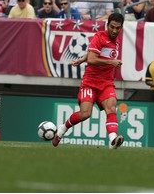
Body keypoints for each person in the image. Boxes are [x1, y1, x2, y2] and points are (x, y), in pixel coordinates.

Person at [52, 13, 125, 150]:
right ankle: (62, 128)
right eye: (112, 27)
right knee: (85, 113)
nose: (114, 31)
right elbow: (93, 59)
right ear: (107, 25)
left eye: (118, 28)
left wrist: (83, 58)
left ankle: (112, 140)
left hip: (106, 81)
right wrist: (110, 62)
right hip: (90, 81)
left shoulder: (117, 41)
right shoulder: (100, 36)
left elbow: (95, 54)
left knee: (111, 106)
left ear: (121, 28)